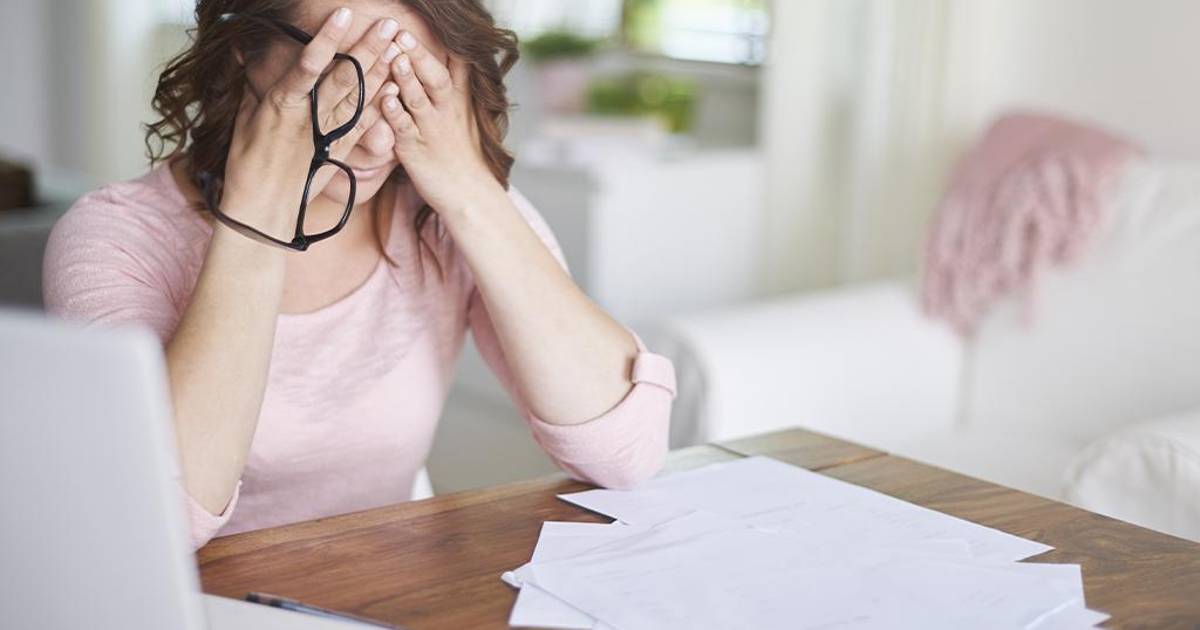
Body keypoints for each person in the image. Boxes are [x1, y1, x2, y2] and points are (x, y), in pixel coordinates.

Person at [42, 0, 675, 550]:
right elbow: (159, 518)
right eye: (343, 86)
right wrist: (257, 219)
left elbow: (627, 454)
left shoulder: (441, 207)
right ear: (243, 53)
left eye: (409, 89)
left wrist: (469, 191)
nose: (376, 145)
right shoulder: (116, 237)